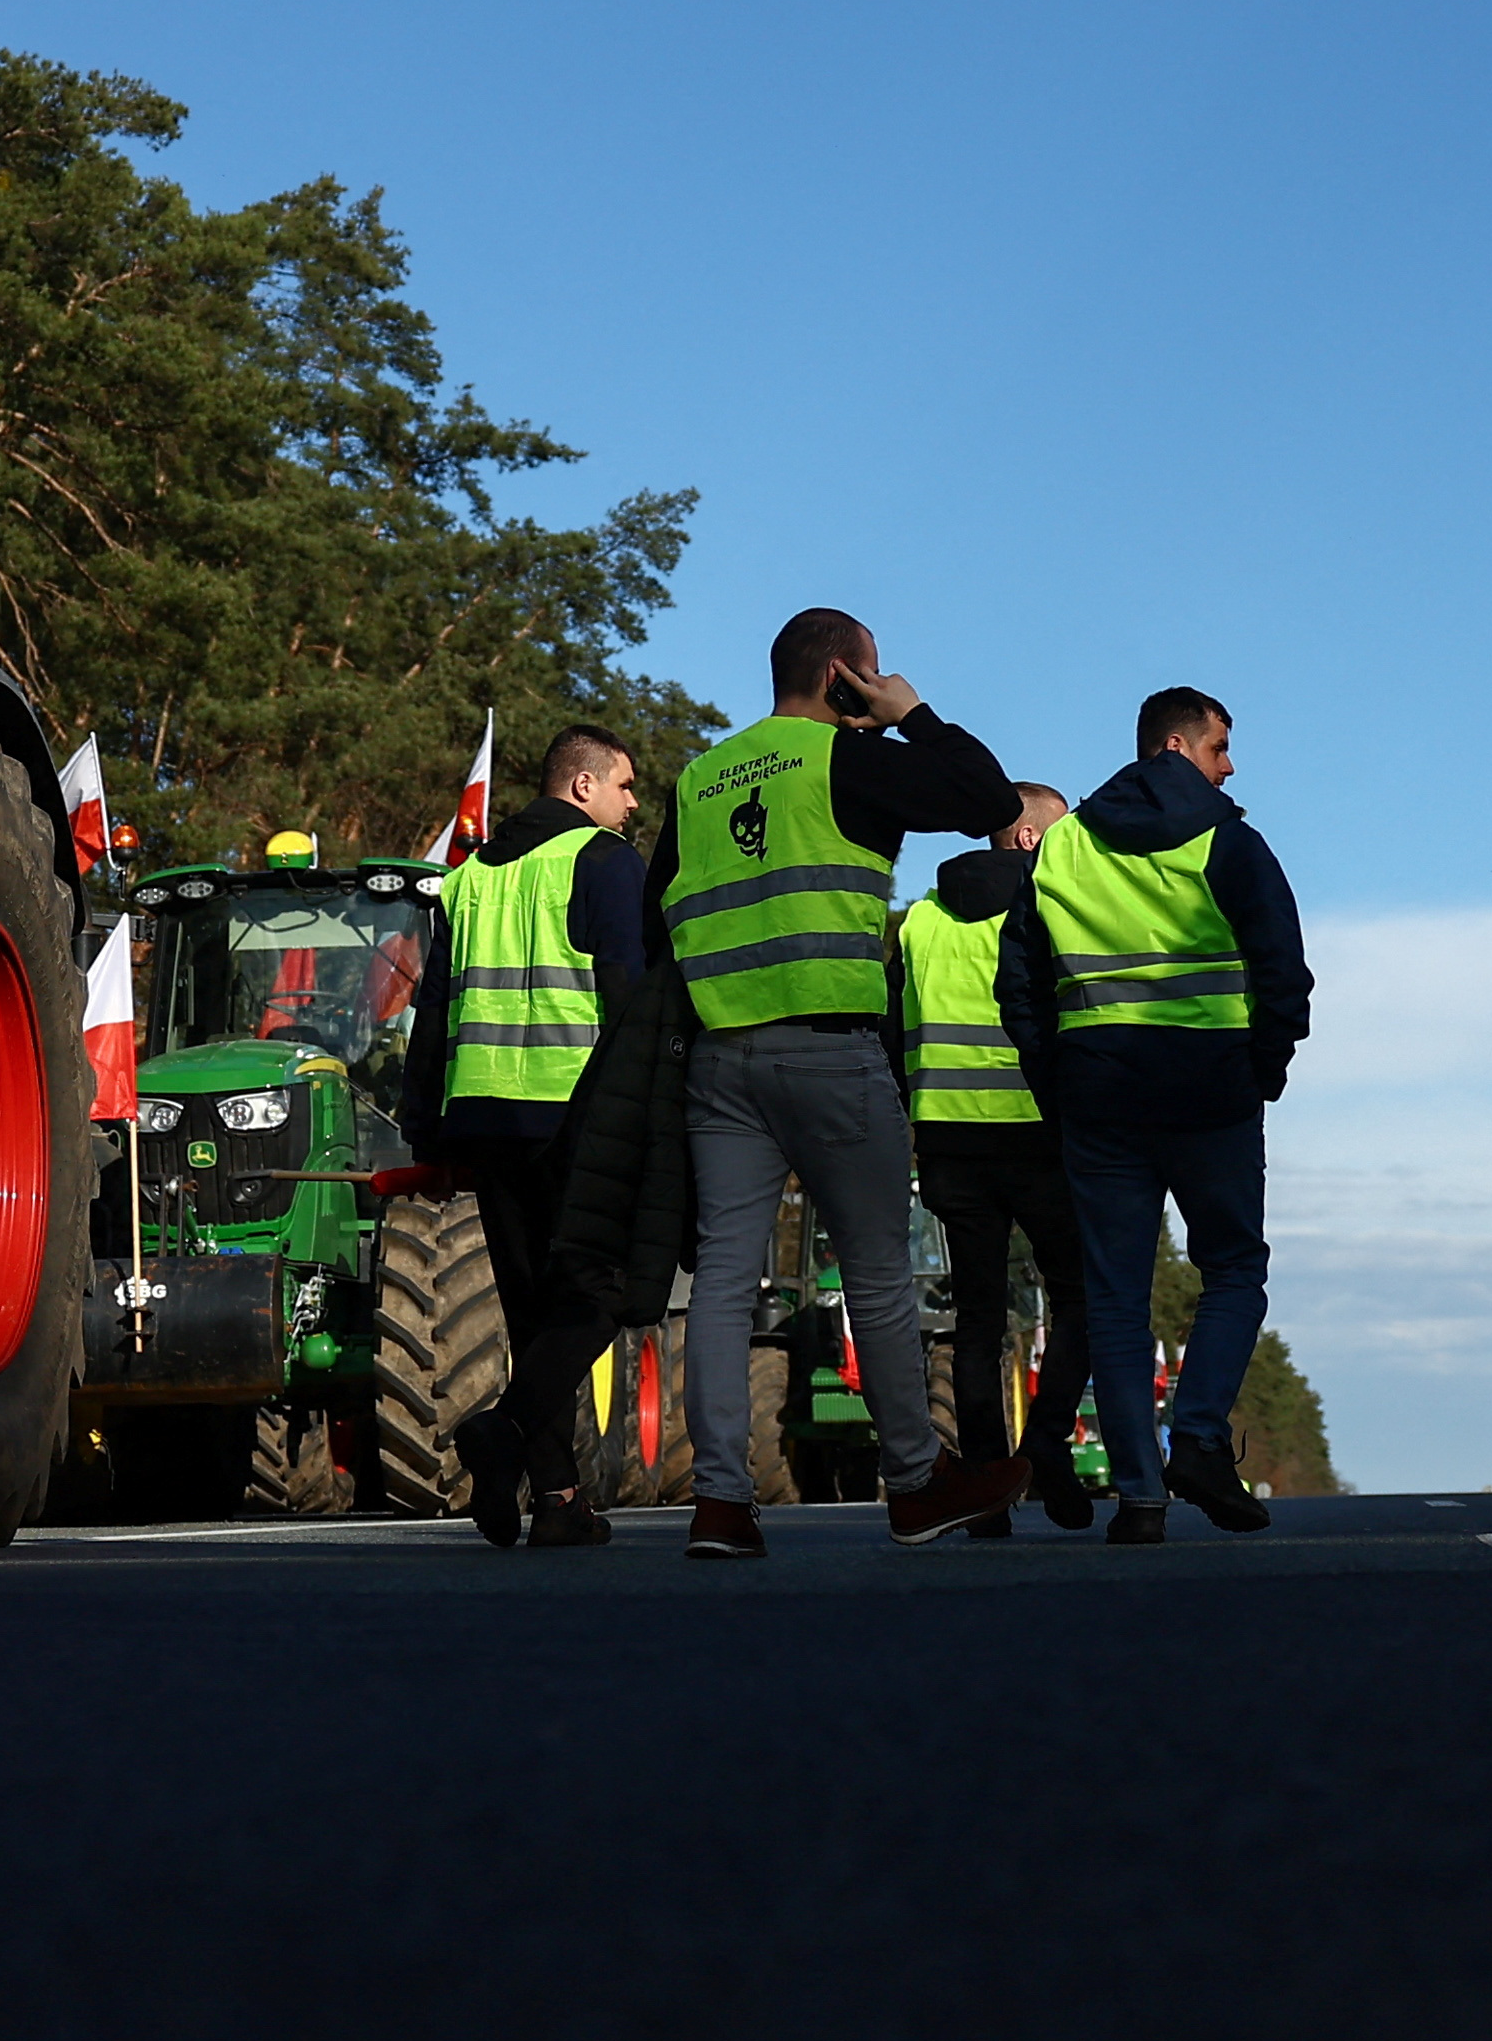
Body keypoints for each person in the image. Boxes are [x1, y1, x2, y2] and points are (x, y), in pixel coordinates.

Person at [655, 607, 1035, 1559]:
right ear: (843, 679)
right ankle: (913, 1484)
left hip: (720, 1058)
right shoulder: (844, 759)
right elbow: (992, 798)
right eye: (870, 675)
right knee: (876, 1272)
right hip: (828, 1047)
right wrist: (911, 711)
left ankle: (720, 1503)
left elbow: (660, 904)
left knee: (724, 1282)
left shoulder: (698, 779)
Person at [1002, 687, 1307, 1545]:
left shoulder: (1060, 849)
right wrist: (1264, 1069)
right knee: (1235, 1270)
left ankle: (1140, 1497)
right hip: (1210, 1094)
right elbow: (1284, 972)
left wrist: (1057, 1083)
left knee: (1114, 1301)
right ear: (1178, 746)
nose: (1230, 765)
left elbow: (1019, 987)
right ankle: (1200, 1436)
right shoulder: (1229, 842)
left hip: (1099, 1099)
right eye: (1220, 747)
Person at [425, 726, 655, 1551]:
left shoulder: (469, 877)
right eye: (625, 786)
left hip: (485, 1119)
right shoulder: (605, 863)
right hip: (578, 1119)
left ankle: (558, 1498)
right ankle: (507, 1430)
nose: (633, 803)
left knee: (533, 1309)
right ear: (583, 785)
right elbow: (629, 1004)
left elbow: (433, 1015)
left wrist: (430, 1132)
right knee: (608, 1291)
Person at [898, 782, 1100, 1536]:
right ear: (1026, 840)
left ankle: (985, 1479)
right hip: (1042, 1137)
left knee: (978, 1315)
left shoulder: (921, 919)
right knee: (1079, 1297)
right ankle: (1046, 1442)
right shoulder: (1052, 907)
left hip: (949, 1143)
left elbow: (899, 1031)